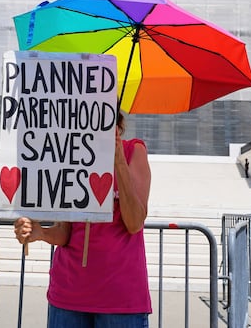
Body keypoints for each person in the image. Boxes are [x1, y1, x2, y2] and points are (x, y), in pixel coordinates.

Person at [14, 111, 152, 327]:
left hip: (120, 298)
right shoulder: (70, 154)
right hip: (68, 296)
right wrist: (40, 232)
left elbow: (135, 223)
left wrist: (119, 163)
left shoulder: (134, 150)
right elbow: (65, 233)